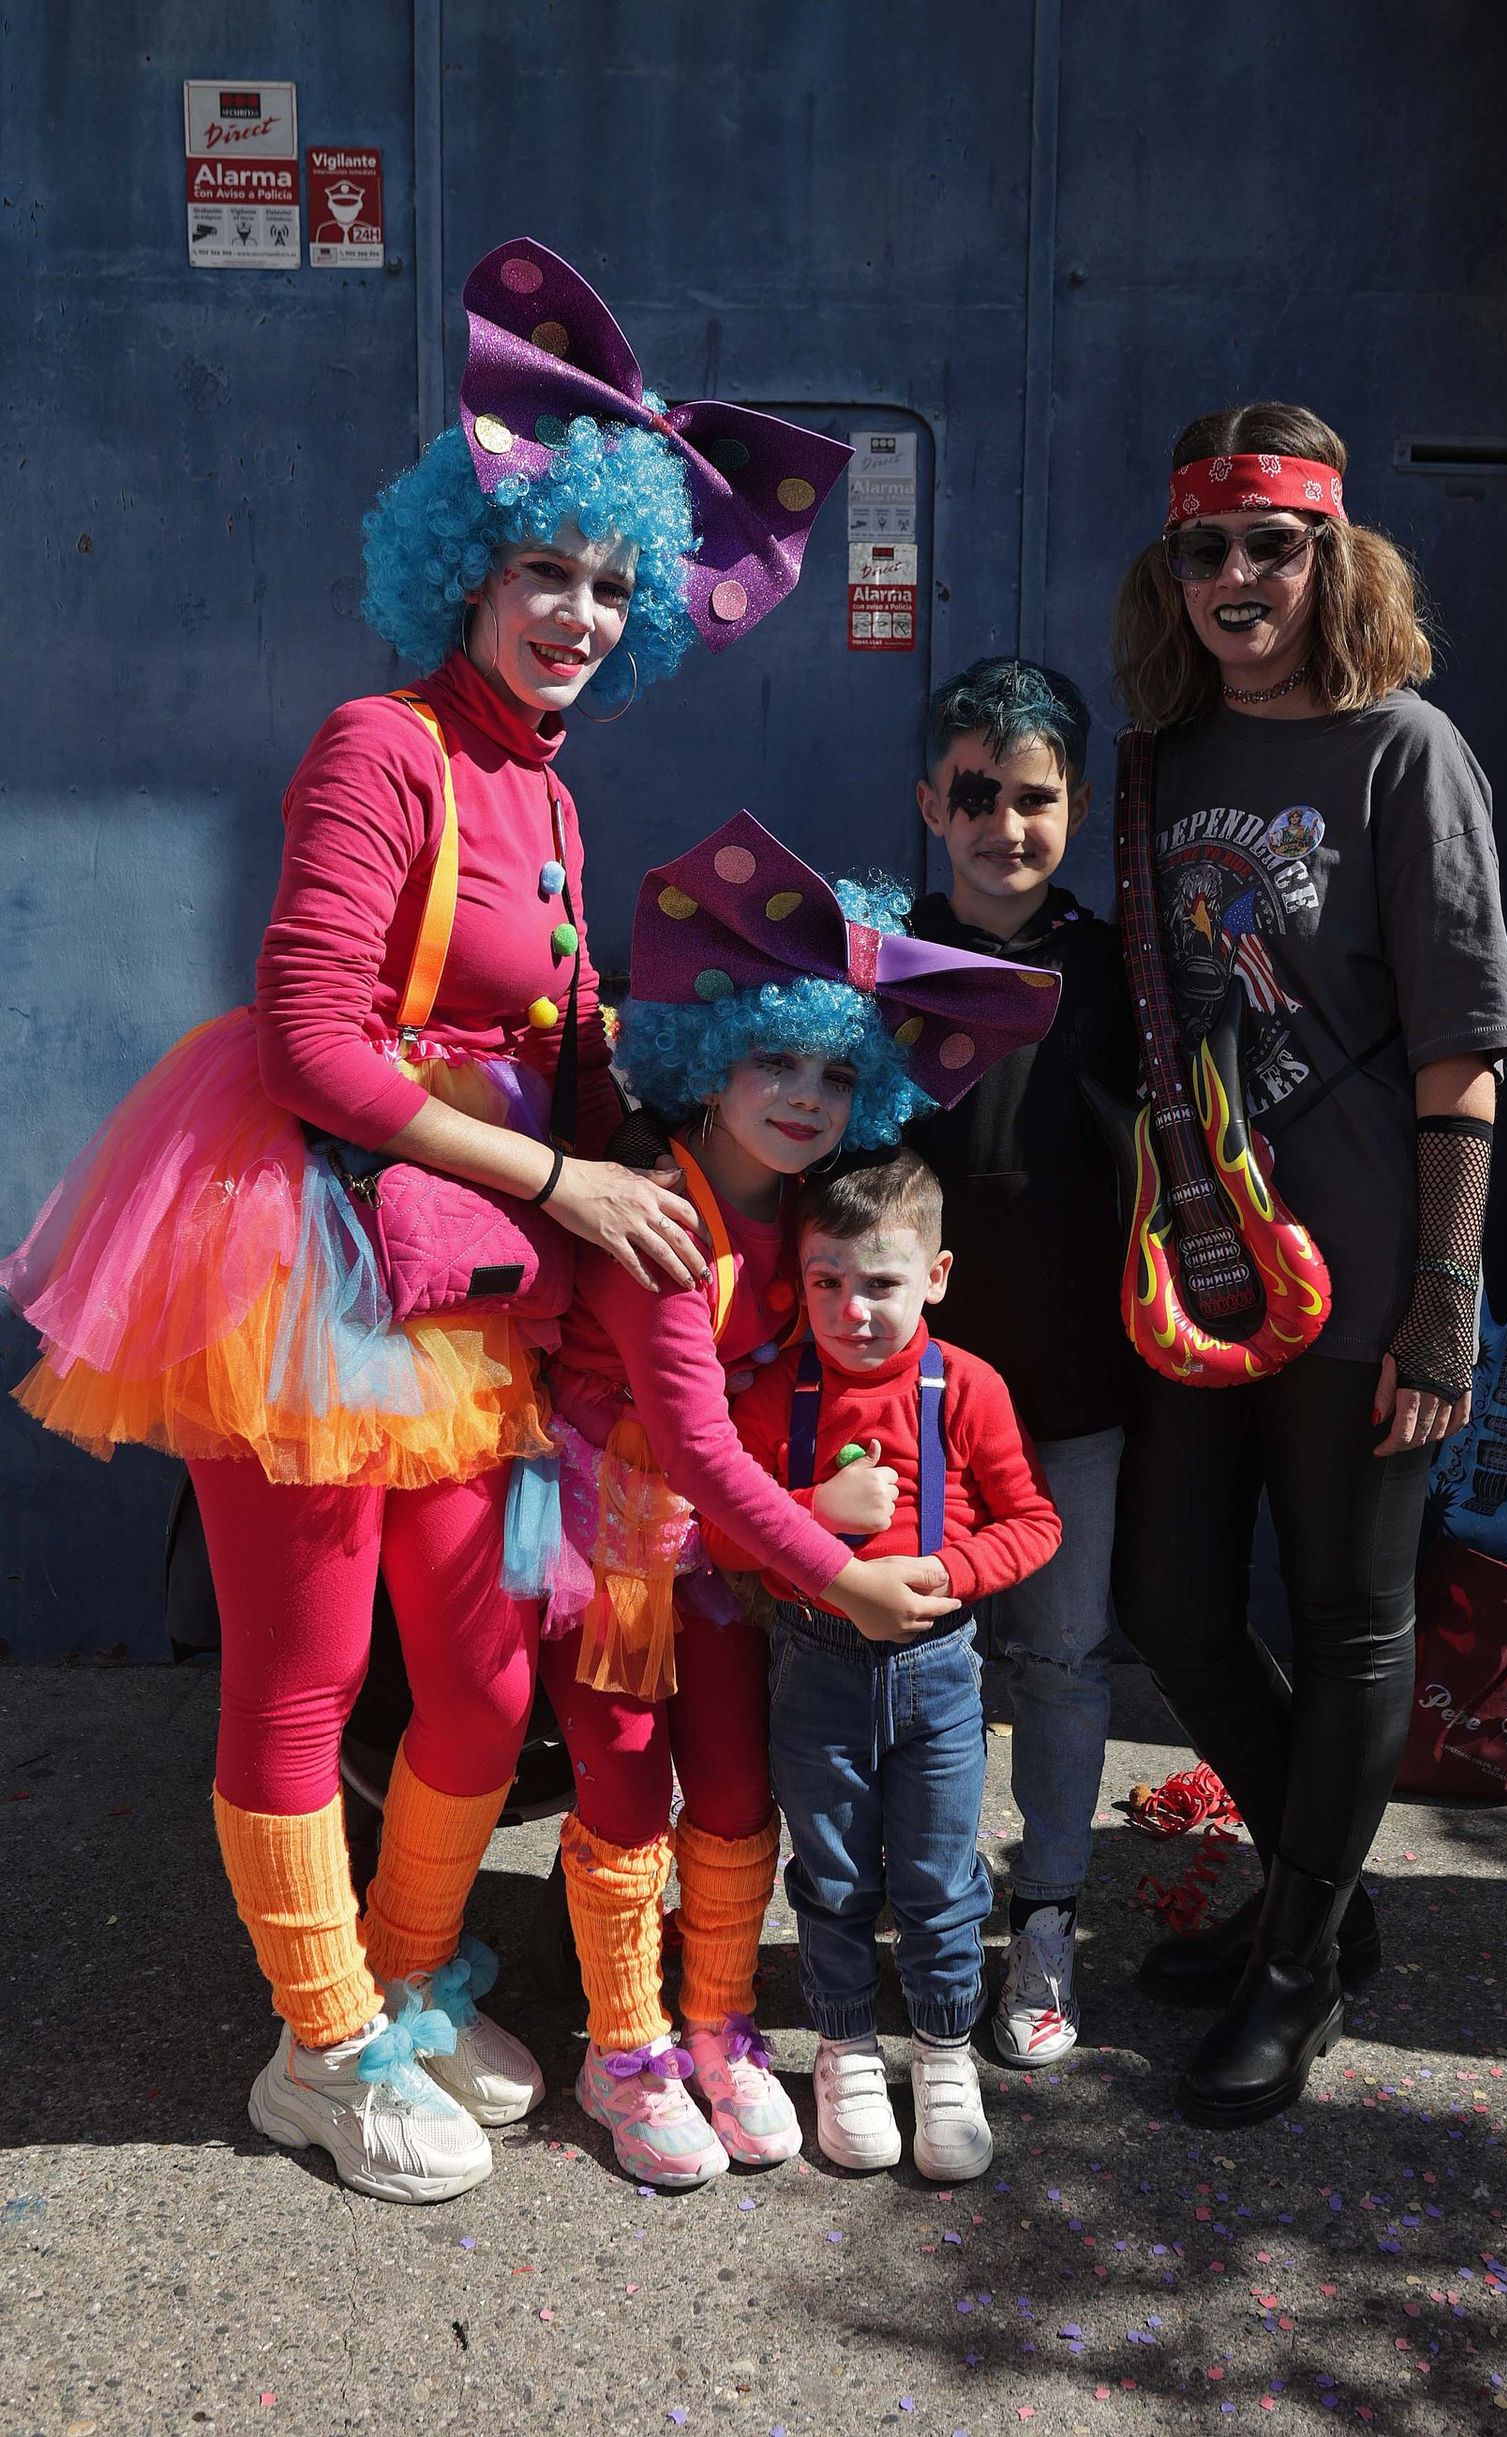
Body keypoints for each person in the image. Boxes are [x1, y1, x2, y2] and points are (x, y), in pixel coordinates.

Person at [0, 238, 848, 2203]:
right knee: (303, 1671)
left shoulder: (543, 787)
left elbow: (550, 1037)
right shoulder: (379, 744)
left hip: (459, 1270)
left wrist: (719, 1105)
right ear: (465, 568)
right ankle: (317, 2050)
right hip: (302, 1245)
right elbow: (309, 1040)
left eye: (612, 587)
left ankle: (397, 1977)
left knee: (474, 1679)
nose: (578, 614)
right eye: (548, 570)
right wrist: (565, 1179)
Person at [1107, 401, 1507, 2126]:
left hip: (1363, 1271)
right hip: (1204, 1268)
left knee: (1353, 1618)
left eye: (1271, 546)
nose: (1237, 577)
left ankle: (1294, 1968)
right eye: (1204, 548)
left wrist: (1445, 1295)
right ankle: (1322, 1902)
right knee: (1172, 1601)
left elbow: (1465, 1051)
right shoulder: (1163, 757)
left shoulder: (1403, 752)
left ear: (1331, 558)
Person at [539, 814, 1058, 2189]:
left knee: (732, 1781)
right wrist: (845, 1573)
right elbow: (702, 1452)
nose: (804, 1095)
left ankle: (717, 2021)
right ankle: (623, 2043)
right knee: (624, 1776)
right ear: (708, 1057)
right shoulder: (664, 1215)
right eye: (773, 1058)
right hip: (615, 1534)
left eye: (836, 1072)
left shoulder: (808, 1213)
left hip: (730, 1547)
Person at [702, 1148, 1061, 2180]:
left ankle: (944, 2050)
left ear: (935, 1278)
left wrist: (949, 1571)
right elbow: (721, 1530)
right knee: (834, 1872)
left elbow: (1034, 1521)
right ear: (799, 1278)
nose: (852, 1310)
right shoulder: (778, 1394)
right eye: (827, 1282)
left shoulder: (967, 1387)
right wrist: (813, 1509)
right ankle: (848, 2044)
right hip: (815, 1670)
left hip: (939, 1670)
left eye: (881, 1283)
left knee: (941, 1877)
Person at [908, 657, 1136, 2067]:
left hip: (1075, 1391)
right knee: (917, 1667)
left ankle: (1045, 1913)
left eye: (1035, 798)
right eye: (977, 794)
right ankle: (922, 1920)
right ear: (931, 803)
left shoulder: (1120, 972)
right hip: (911, 1400)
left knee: (1057, 1659)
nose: (1006, 824)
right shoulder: (880, 962)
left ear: (1080, 807)